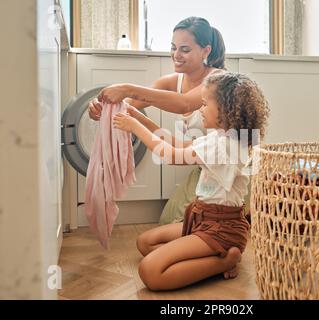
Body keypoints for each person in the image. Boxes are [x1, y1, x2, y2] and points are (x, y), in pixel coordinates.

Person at [112, 71, 269, 291]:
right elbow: (174, 143)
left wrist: (134, 127)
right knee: (146, 243)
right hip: (202, 220)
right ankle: (214, 258)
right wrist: (138, 116)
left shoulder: (222, 145)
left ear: (225, 110)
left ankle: (225, 260)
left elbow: (170, 155)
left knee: (150, 272)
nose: (199, 109)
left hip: (221, 228)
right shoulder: (222, 137)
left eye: (205, 104)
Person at [88, 16, 229, 225]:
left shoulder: (219, 79)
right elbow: (128, 104)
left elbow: (184, 104)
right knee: (168, 222)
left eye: (185, 50)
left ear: (206, 51)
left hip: (231, 170)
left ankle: (235, 221)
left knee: (195, 227)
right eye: (173, 47)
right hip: (205, 168)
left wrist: (127, 88)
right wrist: (101, 107)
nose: (176, 55)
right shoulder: (173, 81)